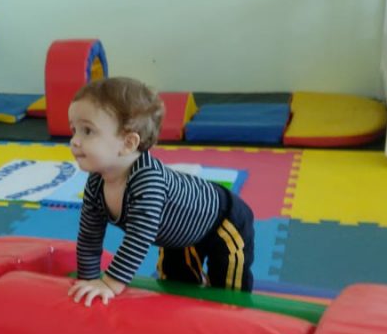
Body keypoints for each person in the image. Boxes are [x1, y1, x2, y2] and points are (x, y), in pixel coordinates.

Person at [67, 77, 255, 307]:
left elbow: (138, 238)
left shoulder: (147, 181)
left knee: (228, 292)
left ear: (128, 143)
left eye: (87, 131)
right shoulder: (96, 183)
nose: (74, 141)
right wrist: (87, 279)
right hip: (179, 234)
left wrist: (109, 283)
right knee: (176, 282)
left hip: (224, 222)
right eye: (74, 130)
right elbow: (89, 235)